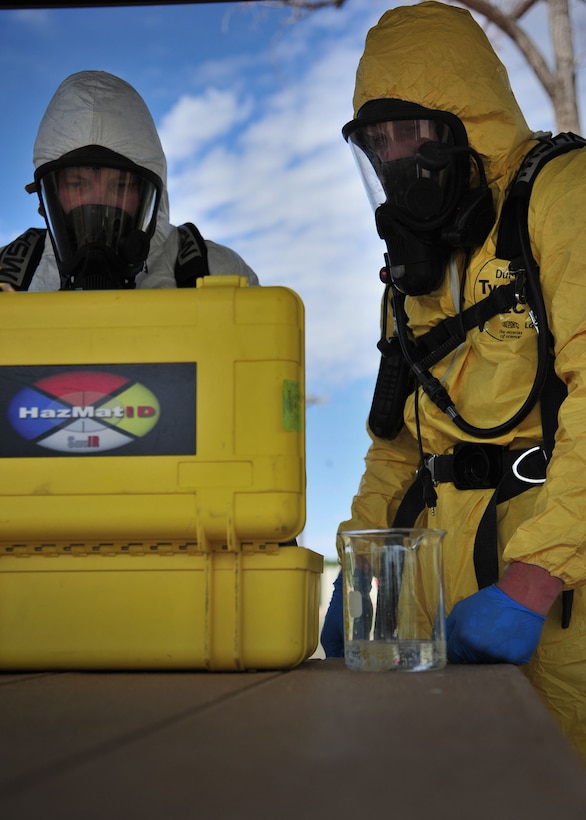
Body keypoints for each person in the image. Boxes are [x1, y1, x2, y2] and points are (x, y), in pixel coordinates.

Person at [321, 1, 586, 765]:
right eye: (380, 141)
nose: (399, 157)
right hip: (439, 612)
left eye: (416, 131)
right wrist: (360, 572)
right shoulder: (413, 270)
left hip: (559, 600)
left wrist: (536, 579)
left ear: (467, 118)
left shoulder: (562, 195)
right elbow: (398, 445)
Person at [0, 70, 258, 292]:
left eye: (120, 187)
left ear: (151, 198)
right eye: (77, 185)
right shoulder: (11, 276)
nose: (97, 203)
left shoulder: (217, 273)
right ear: (49, 198)